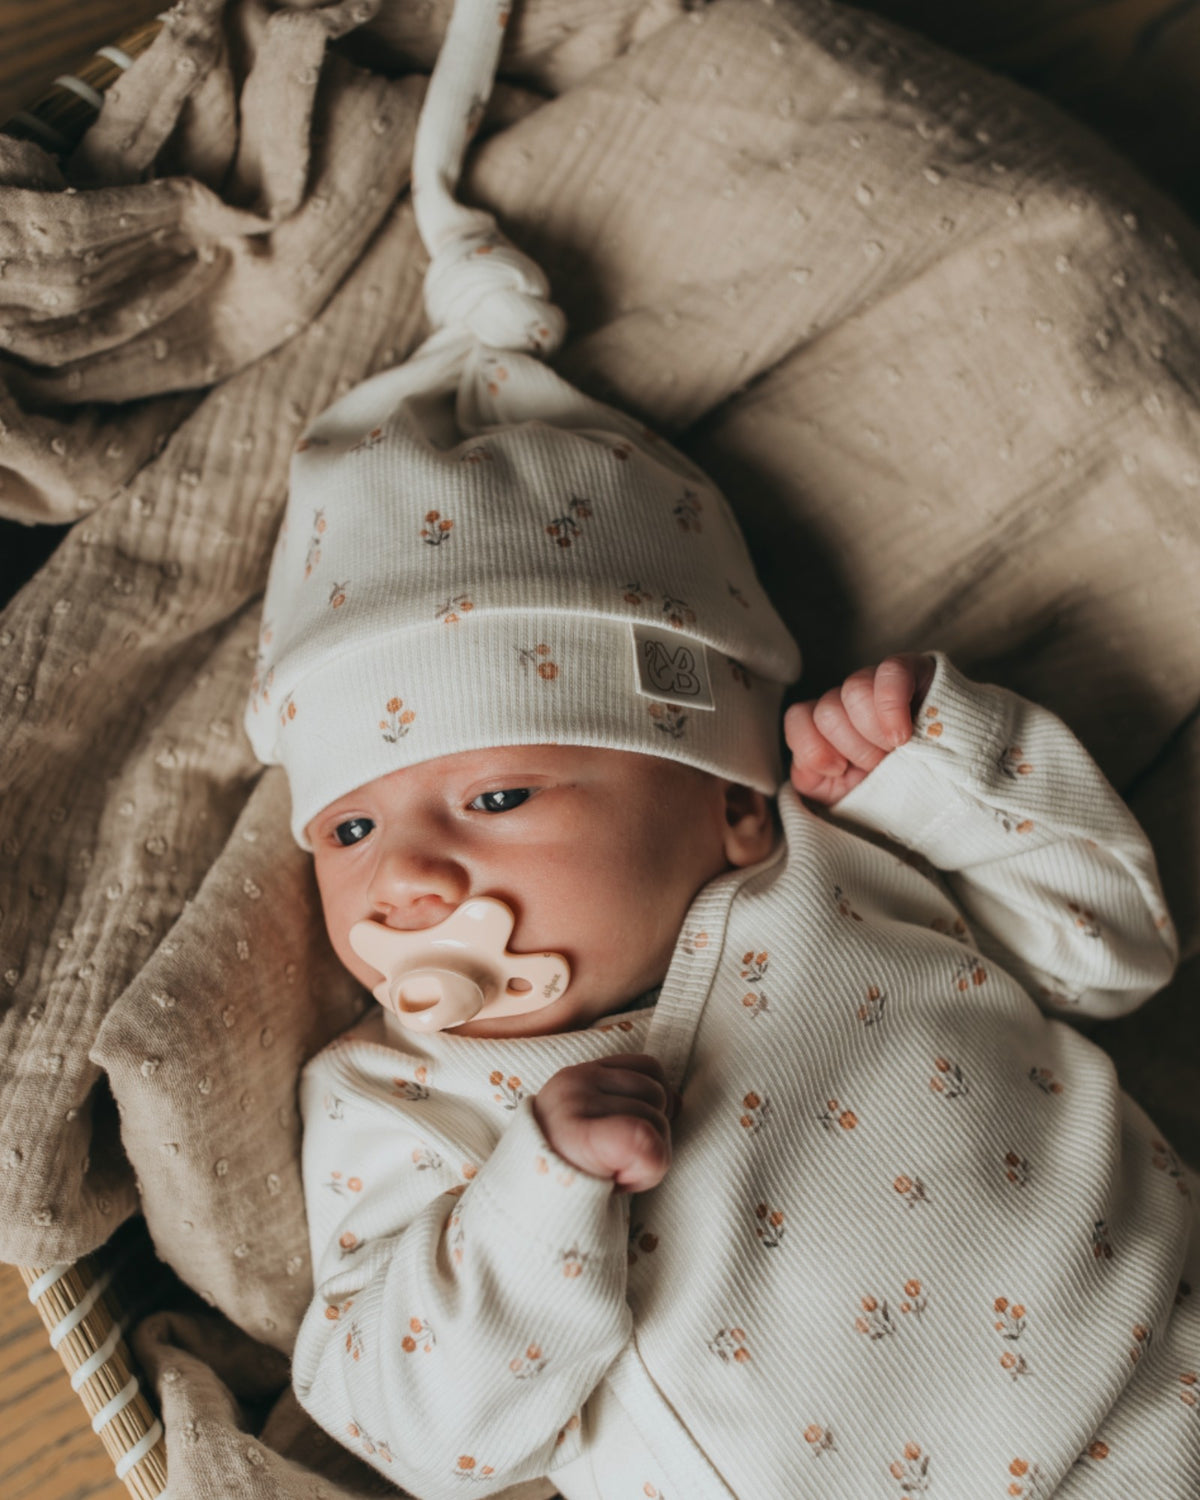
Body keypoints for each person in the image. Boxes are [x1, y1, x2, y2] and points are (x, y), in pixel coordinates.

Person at [241, 0, 1199, 1494]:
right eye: (351, 828)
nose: (410, 870)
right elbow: (409, 1432)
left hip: (1160, 1367)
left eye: (496, 796)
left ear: (730, 808)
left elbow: (1112, 949)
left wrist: (942, 768)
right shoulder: (402, 1104)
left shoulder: (855, 866)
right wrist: (537, 1197)